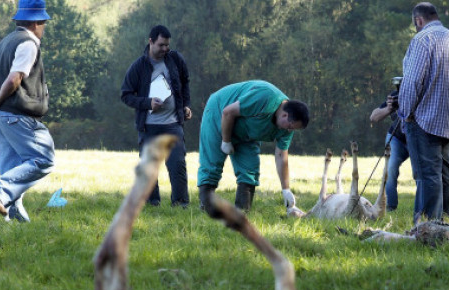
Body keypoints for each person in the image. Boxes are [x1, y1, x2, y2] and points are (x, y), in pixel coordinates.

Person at [0, 0, 55, 223]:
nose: (44, 28)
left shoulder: (2, 45)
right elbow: (14, 79)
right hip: (17, 116)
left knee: (12, 170)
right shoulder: (29, 44)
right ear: (36, 22)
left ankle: (17, 222)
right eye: (44, 23)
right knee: (43, 159)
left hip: (0, 118)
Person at [398, 2, 449, 220]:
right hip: (448, 118)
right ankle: (447, 218)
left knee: (427, 174)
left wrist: (406, 113)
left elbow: (412, 82)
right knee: (444, 171)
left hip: (423, 119)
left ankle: (428, 225)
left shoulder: (422, 39)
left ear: (419, 20)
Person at [197, 80, 309, 212]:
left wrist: (286, 189)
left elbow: (281, 155)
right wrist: (226, 141)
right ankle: (206, 207)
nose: (289, 131)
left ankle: (242, 211)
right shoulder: (265, 97)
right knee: (212, 164)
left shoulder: (286, 128)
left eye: (293, 129)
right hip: (219, 112)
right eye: (290, 126)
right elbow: (228, 112)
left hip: (247, 132)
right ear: (285, 115)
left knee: (250, 170)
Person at [121, 25, 191, 207]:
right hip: (149, 126)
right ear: (150, 42)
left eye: (167, 45)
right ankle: (153, 203)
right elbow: (126, 95)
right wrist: (147, 103)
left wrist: (186, 105)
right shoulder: (138, 66)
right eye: (161, 45)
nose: (165, 49)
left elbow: (185, 83)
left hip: (173, 123)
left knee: (177, 165)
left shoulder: (175, 59)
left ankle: (181, 204)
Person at [370, 87, 411, 212]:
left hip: (418, 140)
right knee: (390, 168)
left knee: (420, 172)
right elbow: (374, 117)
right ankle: (390, 207)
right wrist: (389, 108)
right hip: (396, 138)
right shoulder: (398, 94)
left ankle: (425, 209)